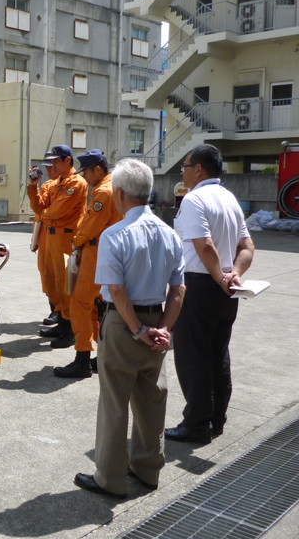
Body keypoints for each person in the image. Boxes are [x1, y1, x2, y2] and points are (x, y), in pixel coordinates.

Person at [74, 158, 185, 498]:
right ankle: (148, 469)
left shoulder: (114, 234)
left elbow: (117, 290)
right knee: (152, 400)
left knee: (114, 401)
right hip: (157, 320)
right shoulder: (169, 234)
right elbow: (178, 289)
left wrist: (137, 330)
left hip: (124, 324)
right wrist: (164, 329)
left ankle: (110, 477)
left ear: (120, 194)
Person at [165, 145, 255, 444]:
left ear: (198, 169)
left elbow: (204, 245)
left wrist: (220, 277)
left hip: (201, 284)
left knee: (193, 356)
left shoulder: (195, 199)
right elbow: (247, 246)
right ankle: (216, 419)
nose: (183, 172)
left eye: (185, 166)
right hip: (226, 287)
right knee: (217, 354)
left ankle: (196, 424)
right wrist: (233, 275)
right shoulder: (229, 198)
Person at [54, 149, 121, 378]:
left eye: (87, 172)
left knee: (80, 304)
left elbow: (91, 225)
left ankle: (82, 358)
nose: (85, 176)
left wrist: (76, 241)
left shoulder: (103, 191)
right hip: (106, 252)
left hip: (95, 252)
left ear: (98, 170)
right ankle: (105, 355)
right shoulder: (114, 186)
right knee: (98, 307)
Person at [27, 144, 87, 347]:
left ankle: (70, 328)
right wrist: (33, 186)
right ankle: (61, 321)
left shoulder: (76, 183)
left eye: (55, 161)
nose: (52, 165)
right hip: (51, 237)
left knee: (65, 284)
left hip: (65, 239)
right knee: (52, 282)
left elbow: (57, 211)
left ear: (67, 160)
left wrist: (44, 214)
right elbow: (39, 206)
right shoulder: (55, 183)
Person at [28, 155, 60, 325]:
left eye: (51, 166)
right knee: (46, 273)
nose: (48, 169)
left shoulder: (69, 184)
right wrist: (33, 186)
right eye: (46, 166)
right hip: (44, 234)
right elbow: (38, 207)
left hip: (60, 236)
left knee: (60, 275)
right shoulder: (47, 185)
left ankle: (62, 312)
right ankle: (55, 308)